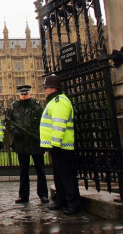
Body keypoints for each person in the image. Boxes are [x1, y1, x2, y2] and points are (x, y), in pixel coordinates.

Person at [40, 74, 81, 215]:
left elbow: (59, 124)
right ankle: (61, 200)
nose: (44, 90)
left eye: (46, 88)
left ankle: (73, 203)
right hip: (55, 146)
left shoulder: (59, 101)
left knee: (67, 176)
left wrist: (55, 143)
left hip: (62, 146)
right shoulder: (53, 101)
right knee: (59, 175)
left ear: (53, 88)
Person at [6, 84, 49, 204]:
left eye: (26, 94)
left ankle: (43, 194)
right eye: (22, 94)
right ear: (19, 94)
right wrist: (14, 130)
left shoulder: (37, 105)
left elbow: (44, 121)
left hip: (35, 142)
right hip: (21, 143)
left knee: (40, 170)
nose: (24, 96)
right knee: (23, 171)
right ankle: (23, 196)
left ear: (30, 93)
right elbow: (8, 121)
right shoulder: (14, 106)